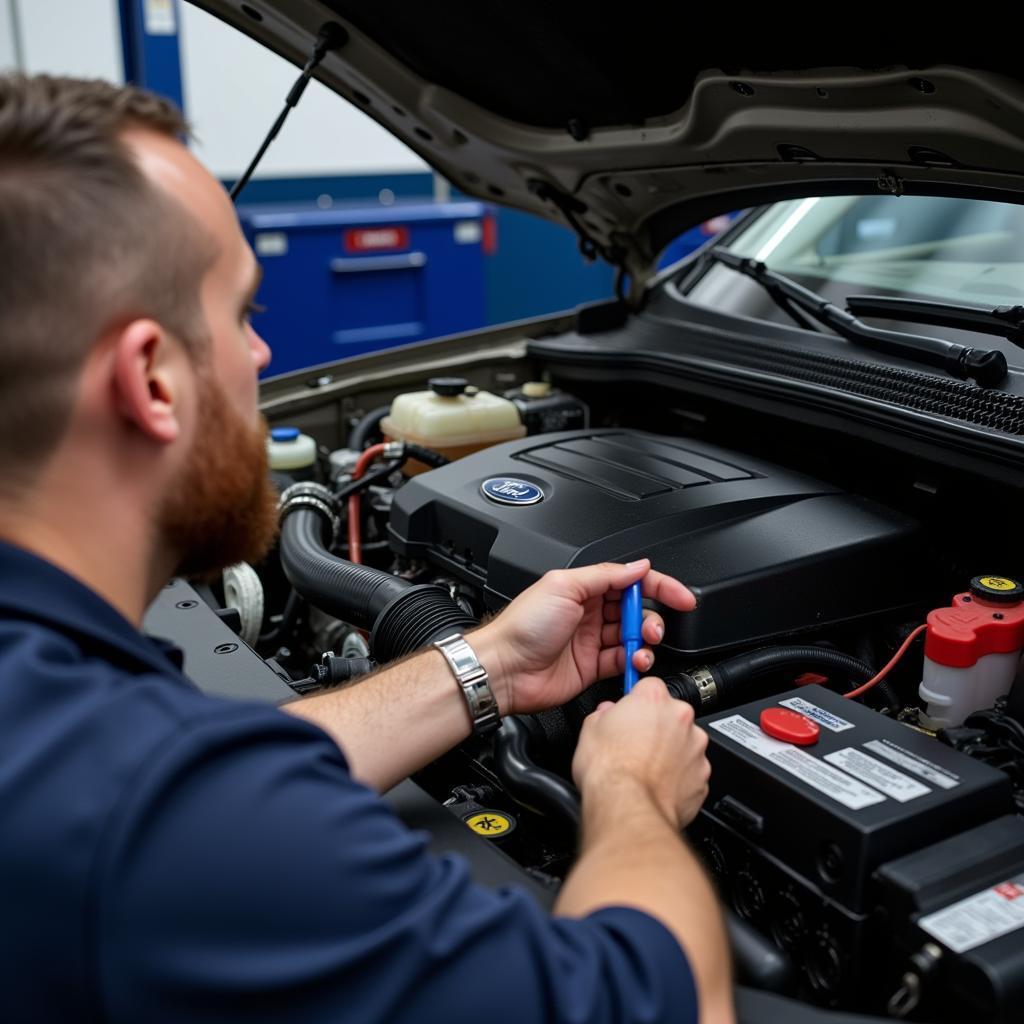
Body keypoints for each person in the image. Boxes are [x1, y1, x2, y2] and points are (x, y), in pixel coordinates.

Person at [0, 74, 732, 1023]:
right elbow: (659, 1002)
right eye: (241, 316)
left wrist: (490, 665)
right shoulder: (141, 821)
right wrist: (628, 788)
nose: (260, 360)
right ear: (151, 379)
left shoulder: (60, 719)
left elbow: (211, 776)